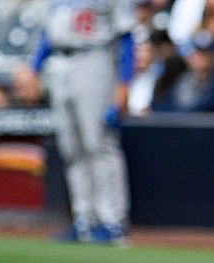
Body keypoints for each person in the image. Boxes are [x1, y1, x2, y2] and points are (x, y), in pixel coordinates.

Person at [16, 0, 135, 244]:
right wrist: (34, 68)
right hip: (60, 64)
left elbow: (126, 37)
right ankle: (84, 220)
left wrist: (124, 82)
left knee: (98, 143)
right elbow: (48, 35)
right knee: (71, 148)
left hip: (93, 59)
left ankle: (112, 221)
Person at [153, 31, 214, 112]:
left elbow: (206, 109)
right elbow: (166, 102)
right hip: (179, 122)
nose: (200, 58)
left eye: (205, 53)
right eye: (197, 53)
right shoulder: (182, 79)